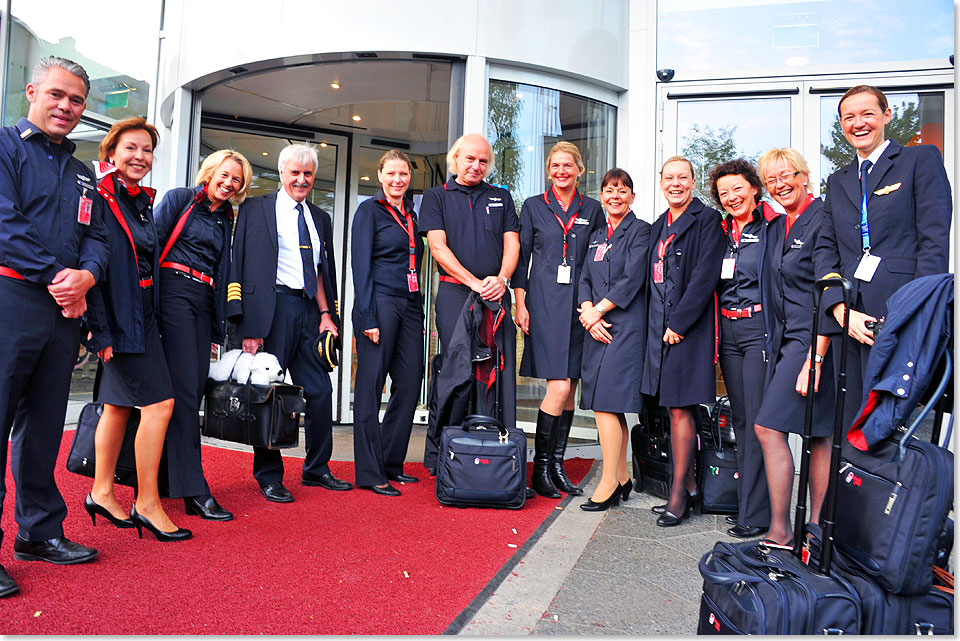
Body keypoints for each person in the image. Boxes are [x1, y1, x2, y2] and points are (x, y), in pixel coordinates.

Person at [0, 56, 110, 597]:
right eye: (57, 95)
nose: (66, 106)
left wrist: (86, 276)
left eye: (76, 100)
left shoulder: (84, 170)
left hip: (64, 311)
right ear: (32, 91)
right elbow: (3, 220)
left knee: (43, 427)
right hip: (11, 297)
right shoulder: (3, 145)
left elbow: (99, 238)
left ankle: (38, 533)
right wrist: (59, 277)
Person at [814, 85, 951, 432]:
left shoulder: (919, 161)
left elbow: (934, 242)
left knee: (891, 423)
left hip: (897, 316)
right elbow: (825, 250)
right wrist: (840, 310)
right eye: (849, 117)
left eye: (867, 114)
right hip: (850, 320)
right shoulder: (838, 179)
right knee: (851, 423)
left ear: (887, 116)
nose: (858, 123)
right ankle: (856, 487)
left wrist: (912, 315)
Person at [84, 118, 189, 542]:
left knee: (118, 406)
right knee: (160, 405)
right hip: (118, 317)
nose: (140, 157)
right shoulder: (101, 197)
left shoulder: (138, 200)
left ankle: (102, 491)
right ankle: (146, 502)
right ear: (112, 152)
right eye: (131, 148)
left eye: (147, 150)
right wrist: (99, 330)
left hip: (141, 313)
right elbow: (90, 263)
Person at [227, 143, 349, 502]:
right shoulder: (253, 208)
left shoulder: (320, 218)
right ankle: (269, 475)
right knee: (268, 395)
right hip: (270, 311)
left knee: (321, 391)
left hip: (309, 311)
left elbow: (322, 271)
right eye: (294, 173)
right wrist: (247, 327)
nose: (301, 179)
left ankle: (317, 468)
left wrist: (327, 314)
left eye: (307, 174)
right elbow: (240, 262)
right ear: (281, 173)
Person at [155, 148, 252, 520]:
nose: (229, 183)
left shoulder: (227, 218)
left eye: (237, 180)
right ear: (210, 172)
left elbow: (222, 272)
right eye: (225, 175)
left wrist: (218, 327)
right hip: (172, 291)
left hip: (201, 299)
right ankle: (193, 490)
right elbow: (152, 245)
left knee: (191, 390)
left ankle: (166, 479)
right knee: (183, 392)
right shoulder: (181, 199)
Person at [419, 133, 520, 475]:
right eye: (469, 159)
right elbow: (437, 248)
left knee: (496, 372)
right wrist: (475, 283)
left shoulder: (501, 197)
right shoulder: (436, 197)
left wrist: (501, 280)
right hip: (455, 295)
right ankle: (444, 456)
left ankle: (496, 454)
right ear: (456, 159)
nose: (476, 166)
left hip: (495, 297)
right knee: (457, 373)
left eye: (482, 160)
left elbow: (513, 245)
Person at [755, 148, 836, 547]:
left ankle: (792, 530)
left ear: (805, 176)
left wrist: (814, 357)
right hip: (788, 341)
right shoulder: (778, 225)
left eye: (787, 175)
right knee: (813, 432)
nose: (780, 184)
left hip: (816, 340)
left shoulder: (824, 218)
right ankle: (806, 531)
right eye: (771, 179)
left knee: (771, 427)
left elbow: (830, 289)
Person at [514, 142, 604, 498]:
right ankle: (540, 470)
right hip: (546, 303)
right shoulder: (534, 206)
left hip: (580, 304)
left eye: (569, 166)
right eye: (556, 166)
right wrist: (520, 303)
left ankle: (556, 467)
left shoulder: (593, 209)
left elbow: (600, 258)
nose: (562, 171)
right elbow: (521, 261)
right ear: (549, 170)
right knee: (560, 387)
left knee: (571, 390)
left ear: (580, 170)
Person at [640, 156, 725, 527]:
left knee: (680, 409)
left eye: (683, 178)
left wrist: (679, 323)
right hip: (660, 330)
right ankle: (688, 484)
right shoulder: (659, 225)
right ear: (661, 183)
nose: (676, 183)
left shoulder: (707, 221)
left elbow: (705, 277)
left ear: (693, 182)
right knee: (674, 408)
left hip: (687, 330)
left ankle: (678, 496)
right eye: (669, 178)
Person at [350, 150, 424, 496]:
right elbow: (360, 266)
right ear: (380, 175)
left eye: (404, 174)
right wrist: (366, 316)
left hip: (409, 304)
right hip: (378, 302)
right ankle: (368, 471)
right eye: (391, 173)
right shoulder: (369, 211)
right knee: (370, 386)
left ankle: (392, 462)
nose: (398, 180)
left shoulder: (411, 213)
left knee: (410, 382)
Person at [577, 168, 650, 511]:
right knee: (608, 404)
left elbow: (632, 278)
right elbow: (584, 278)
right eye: (609, 190)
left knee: (607, 403)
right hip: (597, 326)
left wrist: (598, 312)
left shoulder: (641, 231)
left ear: (632, 197)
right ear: (602, 196)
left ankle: (607, 483)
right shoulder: (596, 234)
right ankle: (621, 477)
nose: (615, 196)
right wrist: (589, 311)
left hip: (625, 326)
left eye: (622, 191)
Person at [708, 158, 771, 538]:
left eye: (738, 189)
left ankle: (759, 513)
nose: (732, 197)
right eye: (724, 192)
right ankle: (748, 505)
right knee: (743, 420)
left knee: (760, 423)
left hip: (758, 328)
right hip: (728, 332)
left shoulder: (771, 227)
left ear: (754, 188)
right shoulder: (722, 231)